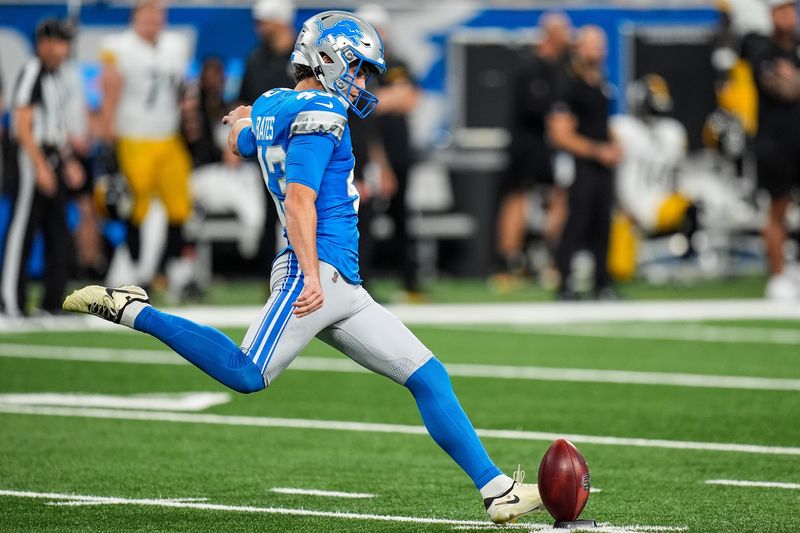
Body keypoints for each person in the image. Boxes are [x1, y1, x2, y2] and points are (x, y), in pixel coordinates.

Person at [63, 11, 542, 525]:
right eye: (357, 69)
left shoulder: (274, 103)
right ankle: (137, 311)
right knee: (248, 373)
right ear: (330, 58)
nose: (361, 82)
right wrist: (311, 274)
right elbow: (298, 200)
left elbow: (241, 139)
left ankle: (496, 490)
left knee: (428, 375)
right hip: (314, 269)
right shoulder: (322, 115)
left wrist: (242, 119)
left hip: (343, 282)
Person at [98, 0, 194, 292]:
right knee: (134, 208)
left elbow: (182, 90)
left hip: (168, 135)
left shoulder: (176, 45)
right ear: (135, 17)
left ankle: (176, 272)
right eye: (147, 15)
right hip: (134, 136)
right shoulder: (119, 46)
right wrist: (107, 135)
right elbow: (109, 92)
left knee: (180, 206)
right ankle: (133, 272)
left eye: (158, 15)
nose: (153, 21)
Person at [1, 18, 85, 316]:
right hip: (30, 158)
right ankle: (10, 301)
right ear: (45, 43)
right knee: (22, 231)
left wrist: (67, 160)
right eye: (60, 43)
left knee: (58, 233)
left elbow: (56, 126)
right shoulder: (32, 70)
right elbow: (22, 124)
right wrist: (39, 166)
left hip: (52, 157)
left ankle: (53, 303)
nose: (64, 50)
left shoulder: (56, 76)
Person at [494, 12, 572, 287]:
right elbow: (539, 111)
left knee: (557, 199)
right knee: (517, 198)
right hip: (526, 145)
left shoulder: (561, 69)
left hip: (551, 147)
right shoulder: (530, 66)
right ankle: (509, 260)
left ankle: (547, 257)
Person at [549, 25, 622, 300]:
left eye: (600, 44)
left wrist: (615, 145)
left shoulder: (601, 82)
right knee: (576, 222)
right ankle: (565, 282)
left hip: (602, 163)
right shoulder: (568, 83)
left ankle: (602, 282)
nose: (597, 50)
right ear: (579, 47)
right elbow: (560, 133)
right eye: (591, 44)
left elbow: (604, 124)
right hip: (580, 163)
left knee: (603, 223)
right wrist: (596, 150)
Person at [742, 0, 800, 300]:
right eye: (782, 10)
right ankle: (778, 276)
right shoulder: (761, 49)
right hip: (776, 144)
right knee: (778, 209)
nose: (788, 16)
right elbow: (784, 89)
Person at [238, 0, 296, 276]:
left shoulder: (304, 57)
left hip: (301, 146)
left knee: (303, 210)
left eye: (264, 22)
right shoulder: (255, 59)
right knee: (266, 216)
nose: (259, 28)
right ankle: (270, 278)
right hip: (267, 149)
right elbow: (245, 101)